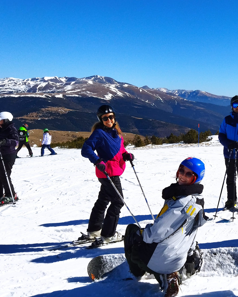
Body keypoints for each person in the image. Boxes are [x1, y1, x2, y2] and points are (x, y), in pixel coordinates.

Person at [124, 157, 206, 297]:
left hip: (160, 260)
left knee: (131, 231)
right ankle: (176, 270)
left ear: (196, 178)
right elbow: (191, 233)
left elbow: (154, 234)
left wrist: (142, 233)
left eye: (188, 174)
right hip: (179, 259)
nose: (182, 175)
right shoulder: (198, 200)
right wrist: (190, 252)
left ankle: (139, 272)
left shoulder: (181, 202)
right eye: (181, 170)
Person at [81, 105, 134, 246]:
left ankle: (94, 230)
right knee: (118, 201)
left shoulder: (116, 132)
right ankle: (108, 234)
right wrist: (97, 160)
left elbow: (120, 149)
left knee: (103, 200)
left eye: (111, 116)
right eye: (105, 118)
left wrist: (126, 155)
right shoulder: (99, 133)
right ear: (101, 119)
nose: (109, 120)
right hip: (108, 172)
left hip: (111, 171)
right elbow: (86, 149)